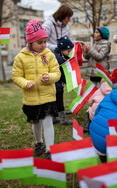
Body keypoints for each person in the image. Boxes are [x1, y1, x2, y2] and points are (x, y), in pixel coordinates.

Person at [12, 19, 61, 160]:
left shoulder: (49, 55)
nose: (44, 45)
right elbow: (16, 76)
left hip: (47, 97)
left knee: (48, 122)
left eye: (45, 41)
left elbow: (57, 73)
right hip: (31, 98)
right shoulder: (20, 57)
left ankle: (50, 150)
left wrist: (50, 77)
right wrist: (25, 83)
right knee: (36, 122)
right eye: (40, 42)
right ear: (30, 42)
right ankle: (39, 142)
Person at [53, 35, 74, 125]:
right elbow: (62, 74)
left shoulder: (56, 55)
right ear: (62, 48)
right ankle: (63, 119)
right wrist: (69, 84)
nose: (69, 53)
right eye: (68, 51)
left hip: (54, 84)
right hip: (57, 84)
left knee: (54, 101)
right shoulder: (59, 59)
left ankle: (53, 117)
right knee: (59, 101)